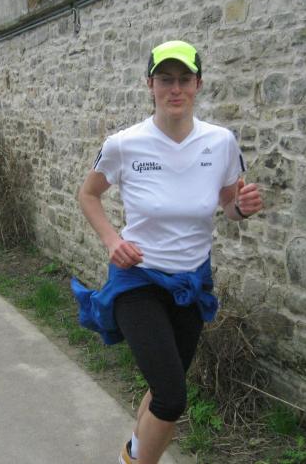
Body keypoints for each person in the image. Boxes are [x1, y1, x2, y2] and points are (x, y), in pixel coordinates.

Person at [72, 40, 263, 464]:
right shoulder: (125, 144)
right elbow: (88, 194)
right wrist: (113, 241)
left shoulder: (221, 142)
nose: (175, 89)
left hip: (191, 284)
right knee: (172, 397)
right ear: (150, 85)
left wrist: (242, 207)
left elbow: (229, 206)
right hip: (138, 279)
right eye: (165, 80)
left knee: (163, 388)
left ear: (198, 84)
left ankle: (131, 455)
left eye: (184, 80)